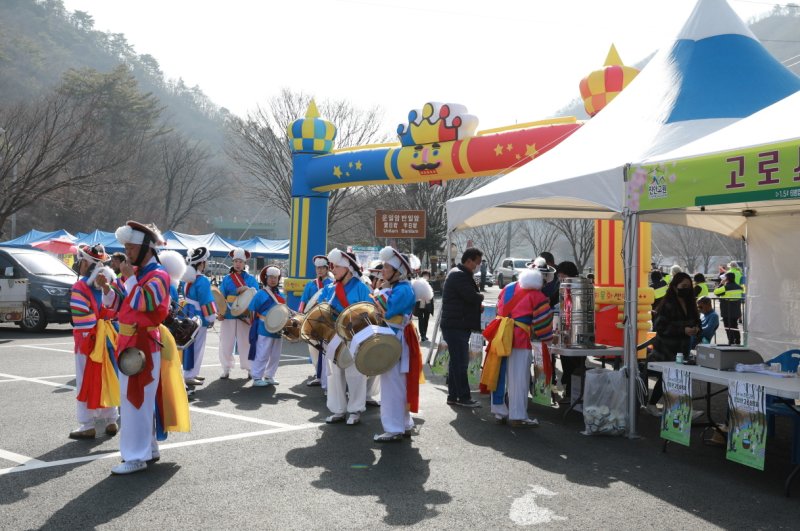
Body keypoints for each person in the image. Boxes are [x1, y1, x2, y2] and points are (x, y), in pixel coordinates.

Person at [103, 221, 175, 474]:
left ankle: (135, 456)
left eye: (131, 247)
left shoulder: (158, 275)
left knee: (135, 401)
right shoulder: (138, 274)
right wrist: (107, 289)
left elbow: (144, 303)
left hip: (143, 344)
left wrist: (130, 279)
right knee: (140, 399)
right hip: (131, 342)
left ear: (146, 247)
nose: (127, 252)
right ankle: (149, 448)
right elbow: (119, 305)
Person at [481, 266, 553, 427]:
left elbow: (499, 309)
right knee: (519, 379)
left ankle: (499, 412)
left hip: (500, 335)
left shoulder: (507, 288)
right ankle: (518, 415)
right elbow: (543, 324)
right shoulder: (537, 295)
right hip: (520, 339)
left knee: (498, 374)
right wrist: (548, 339)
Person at [372, 246, 430, 441]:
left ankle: (394, 428)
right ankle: (403, 424)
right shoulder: (400, 288)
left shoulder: (402, 290)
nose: (383, 271)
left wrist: (379, 293)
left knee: (392, 384)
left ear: (399, 271)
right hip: (397, 338)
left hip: (396, 339)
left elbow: (385, 308)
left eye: (387, 267)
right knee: (398, 384)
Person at [68, 244, 119, 440]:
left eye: (81, 261)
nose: (79, 264)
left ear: (86, 263)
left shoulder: (80, 287)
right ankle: (111, 420)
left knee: (85, 381)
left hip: (88, 341)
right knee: (107, 377)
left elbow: (80, 321)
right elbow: (114, 309)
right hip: (106, 338)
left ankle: (87, 424)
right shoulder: (108, 285)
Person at [319, 249, 372, 425]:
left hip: (355, 335)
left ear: (348, 269)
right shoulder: (332, 288)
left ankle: (355, 410)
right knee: (335, 373)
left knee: (355, 373)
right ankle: (338, 409)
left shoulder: (361, 287)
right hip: (334, 335)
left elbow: (370, 312)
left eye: (336, 267)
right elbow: (323, 308)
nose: (332, 269)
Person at [645, 272, 701, 416]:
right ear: (675, 286)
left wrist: (696, 329)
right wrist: (683, 329)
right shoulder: (666, 304)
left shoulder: (690, 303)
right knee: (668, 378)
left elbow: (697, 321)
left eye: (689, 286)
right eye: (683, 286)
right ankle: (658, 405)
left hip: (683, 348)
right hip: (666, 349)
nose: (687, 289)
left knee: (676, 378)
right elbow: (660, 327)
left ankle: (678, 408)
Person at [439, 247, 484, 408]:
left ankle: (453, 396)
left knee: (455, 362)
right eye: (476, 263)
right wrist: (481, 297)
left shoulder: (458, 273)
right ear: (469, 260)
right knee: (461, 363)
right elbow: (470, 296)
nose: (477, 266)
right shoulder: (459, 274)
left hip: (456, 324)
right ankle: (464, 397)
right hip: (456, 325)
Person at [218, 248, 258, 378]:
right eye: (235, 261)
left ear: (244, 263)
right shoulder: (226, 279)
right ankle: (226, 368)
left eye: (240, 261)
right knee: (226, 342)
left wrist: (247, 289)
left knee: (246, 342)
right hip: (229, 313)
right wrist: (220, 312)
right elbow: (220, 296)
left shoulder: (251, 279)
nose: (237, 264)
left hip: (244, 315)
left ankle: (249, 368)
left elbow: (256, 294)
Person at [181, 247, 217, 387]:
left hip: (187, 312)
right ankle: (190, 375)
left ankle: (191, 373)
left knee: (189, 345)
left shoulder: (187, 279)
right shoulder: (202, 280)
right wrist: (211, 318)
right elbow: (206, 301)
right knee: (197, 346)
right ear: (202, 263)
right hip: (199, 316)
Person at [299, 255, 333, 387]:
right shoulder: (311, 284)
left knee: (325, 348)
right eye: (317, 268)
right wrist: (301, 315)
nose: (319, 270)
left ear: (326, 268)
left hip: (326, 320)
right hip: (312, 320)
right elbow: (304, 301)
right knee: (313, 347)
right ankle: (317, 373)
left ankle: (325, 375)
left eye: (322, 268)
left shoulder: (331, 283)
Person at [248, 266, 285, 386]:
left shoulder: (281, 295)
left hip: (278, 328)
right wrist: (254, 326)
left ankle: (270, 376)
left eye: (275, 277)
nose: (273, 280)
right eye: (271, 277)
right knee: (262, 352)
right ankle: (257, 377)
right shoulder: (260, 294)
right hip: (264, 327)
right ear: (266, 278)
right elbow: (252, 311)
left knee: (275, 354)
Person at [554, 261, 582, 400]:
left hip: (578, 330)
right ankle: (569, 389)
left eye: (561, 275)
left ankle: (573, 392)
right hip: (565, 330)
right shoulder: (563, 286)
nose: (560, 279)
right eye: (559, 276)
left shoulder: (579, 287)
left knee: (575, 362)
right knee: (566, 360)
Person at [714, 272, 744, 345]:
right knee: (735, 325)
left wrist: (721, 283)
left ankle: (730, 341)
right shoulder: (739, 287)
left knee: (728, 327)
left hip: (727, 310)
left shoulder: (725, 287)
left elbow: (716, 292)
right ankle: (737, 341)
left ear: (726, 279)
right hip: (736, 310)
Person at [413, 270, 434, 342]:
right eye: (424, 275)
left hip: (427, 305)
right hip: (420, 305)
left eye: (427, 275)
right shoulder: (419, 284)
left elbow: (432, 297)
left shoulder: (430, 284)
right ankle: (422, 335)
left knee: (426, 320)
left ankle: (424, 334)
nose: (426, 276)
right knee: (421, 320)